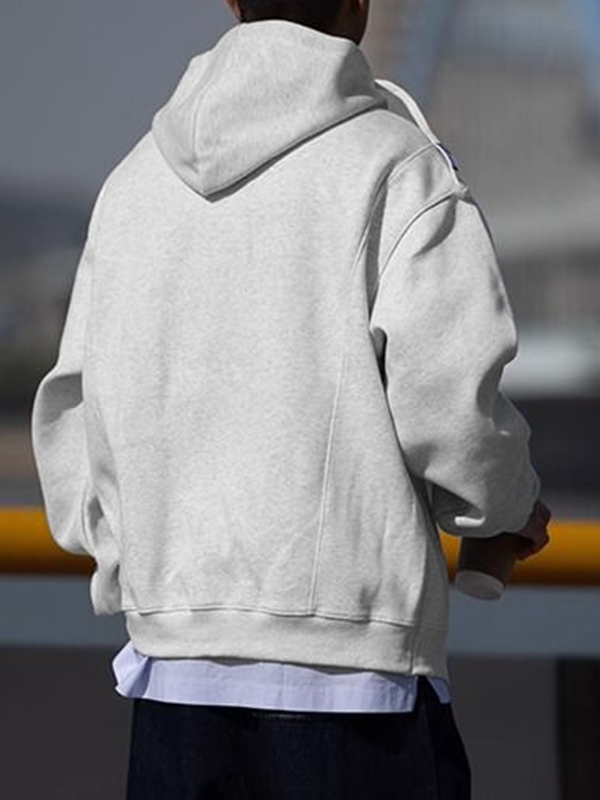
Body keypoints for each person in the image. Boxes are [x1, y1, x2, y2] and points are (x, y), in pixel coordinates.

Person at [30, 0, 551, 797]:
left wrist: (146, 574)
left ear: (232, 1)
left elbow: (72, 420)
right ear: (359, 4)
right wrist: (505, 509)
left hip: (173, 686)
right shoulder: (399, 167)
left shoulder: (131, 185)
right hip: (359, 696)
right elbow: (454, 416)